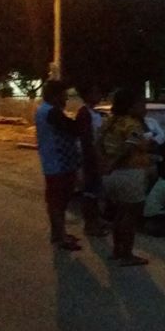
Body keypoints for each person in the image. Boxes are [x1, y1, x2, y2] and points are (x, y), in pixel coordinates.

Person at [99, 88, 151, 266]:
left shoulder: (109, 122)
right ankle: (127, 254)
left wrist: (105, 164)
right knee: (130, 216)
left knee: (119, 214)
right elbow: (129, 147)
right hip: (129, 173)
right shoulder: (132, 124)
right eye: (142, 104)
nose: (145, 108)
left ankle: (117, 250)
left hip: (110, 176)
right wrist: (114, 163)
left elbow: (97, 144)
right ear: (131, 107)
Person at [35, 80, 83, 251]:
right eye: (63, 95)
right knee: (58, 202)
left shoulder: (44, 110)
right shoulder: (52, 112)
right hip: (58, 163)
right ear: (55, 95)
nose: (65, 99)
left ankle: (58, 233)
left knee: (57, 201)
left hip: (56, 162)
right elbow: (73, 128)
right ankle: (61, 237)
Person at [74, 83, 109, 237]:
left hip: (95, 155)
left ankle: (96, 221)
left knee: (95, 192)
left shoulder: (94, 112)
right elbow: (87, 140)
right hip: (90, 158)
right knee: (90, 193)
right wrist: (95, 158)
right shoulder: (84, 113)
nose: (99, 96)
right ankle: (90, 225)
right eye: (95, 93)